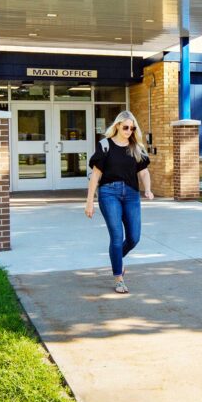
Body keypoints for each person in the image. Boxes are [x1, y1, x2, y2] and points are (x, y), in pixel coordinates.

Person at [85, 110, 154, 293]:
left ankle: (117, 259)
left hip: (131, 194)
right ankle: (119, 278)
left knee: (134, 238)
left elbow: (144, 172)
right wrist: (89, 202)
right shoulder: (105, 145)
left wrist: (147, 189)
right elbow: (96, 175)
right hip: (109, 193)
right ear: (117, 126)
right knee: (117, 237)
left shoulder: (136, 147)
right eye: (126, 127)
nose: (129, 131)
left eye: (132, 128)